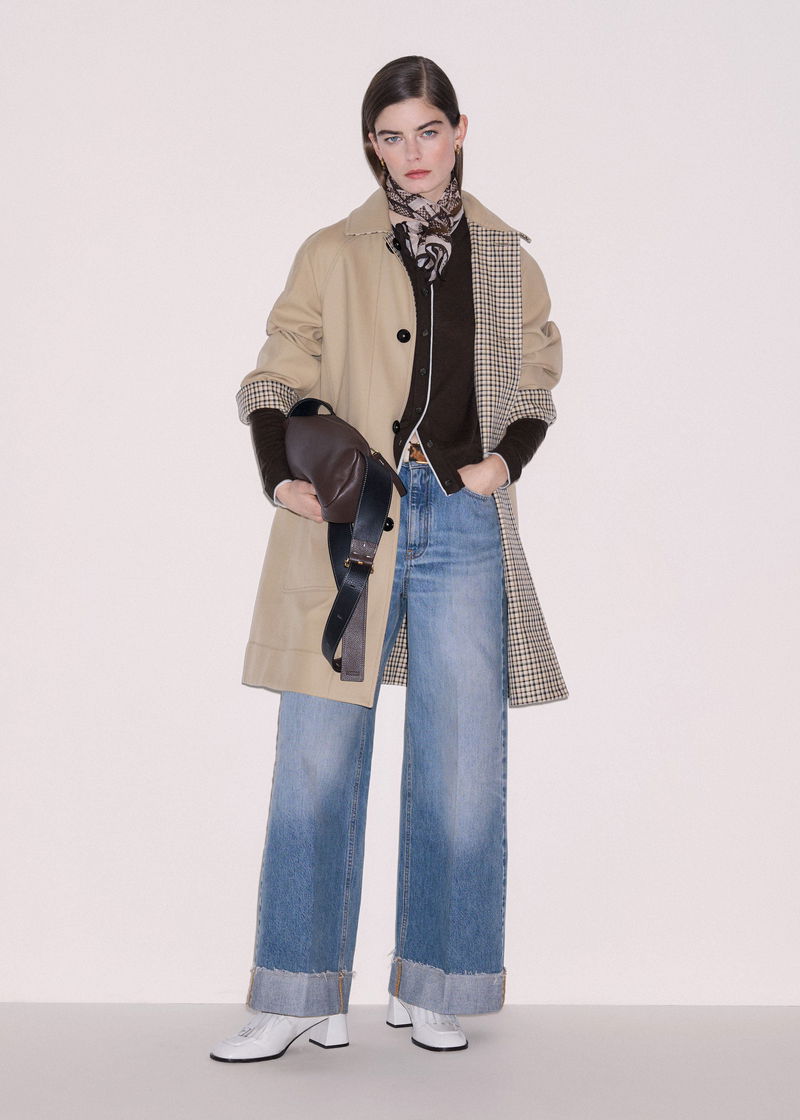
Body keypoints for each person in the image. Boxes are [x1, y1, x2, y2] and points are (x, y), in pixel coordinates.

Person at [210, 55, 568, 1064]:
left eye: (427, 130)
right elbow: (276, 368)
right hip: (352, 517)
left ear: (459, 131)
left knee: (461, 760)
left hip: (460, 518)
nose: (411, 152)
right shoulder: (331, 250)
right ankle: (299, 992)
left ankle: (436, 981)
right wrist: (279, 471)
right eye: (390, 135)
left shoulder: (506, 258)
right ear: (370, 144)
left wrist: (500, 463)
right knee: (317, 754)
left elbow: (537, 378)